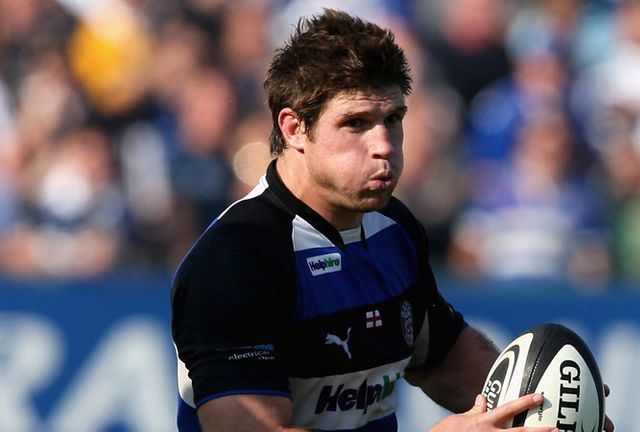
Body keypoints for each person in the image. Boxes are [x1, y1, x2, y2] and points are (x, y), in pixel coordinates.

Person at [171, 9, 614, 432]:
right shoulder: (236, 259)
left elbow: (444, 358)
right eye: (356, 123)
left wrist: (539, 408)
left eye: (393, 118)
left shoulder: (392, 227)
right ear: (294, 128)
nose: (383, 144)